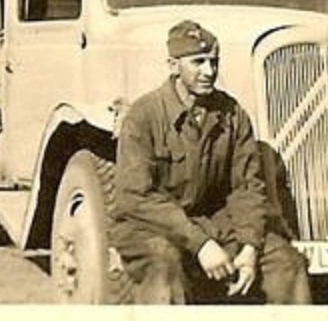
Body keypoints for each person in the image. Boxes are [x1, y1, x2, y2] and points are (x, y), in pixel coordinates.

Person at [111, 20, 311, 304]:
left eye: (214, 62)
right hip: (150, 226)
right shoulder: (143, 116)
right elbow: (136, 198)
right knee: (164, 264)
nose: (209, 71)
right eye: (198, 62)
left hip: (212, 223)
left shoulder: (231, 114)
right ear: (173, 65)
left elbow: (247, 187)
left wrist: (249, 246)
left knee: (286, 263)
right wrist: (201, 244)